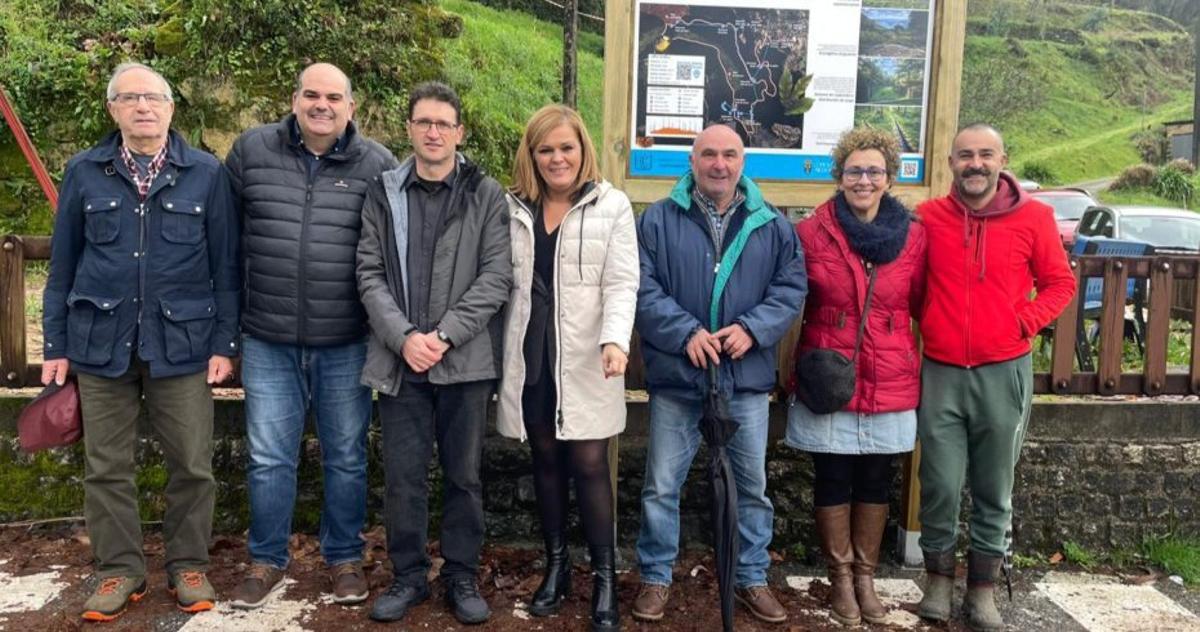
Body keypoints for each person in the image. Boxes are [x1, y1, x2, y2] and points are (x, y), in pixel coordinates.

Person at [42, 62, 239, 621]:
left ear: (171, 108)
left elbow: (226, 267)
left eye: (153, 98)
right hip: (100, 343)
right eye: (130, 98)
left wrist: (224, 343)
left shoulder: (205, 172)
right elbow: (62, 267)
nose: (143, 107)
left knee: (192, 464)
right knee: (106, 466)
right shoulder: (83, 172)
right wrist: (55, 345)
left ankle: (188, 565)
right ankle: (118, 570)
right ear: (114, 110)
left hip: (182, 343)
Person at [224, 62, 398, 609]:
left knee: (346, 454)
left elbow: (392, 256)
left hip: (345, 338)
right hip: (267, 336)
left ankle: (345, 557)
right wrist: (227, 335)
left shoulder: (378, 165)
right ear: (294, 99)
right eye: (312, 95)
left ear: (352, 106)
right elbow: (227, 247)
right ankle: (266, 559)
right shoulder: (251, 151)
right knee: (269, 456)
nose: (322, 105)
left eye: (334, 97)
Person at [633, 124, 807, 625]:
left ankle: (751, 577)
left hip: (744, 379)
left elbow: (790, 288)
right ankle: (656, 577)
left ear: (742, 162)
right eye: (708, 154)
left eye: (729, 154)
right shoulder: (659, 220)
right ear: (692, 161)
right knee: (661, 486)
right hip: (679, 378)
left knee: (751, 488)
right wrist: (685, 332)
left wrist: (753, 329)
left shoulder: (771, 223)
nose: (719, 164)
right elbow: (642, 288)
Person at [356, 81, 512, 625]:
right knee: (402, 476)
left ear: (459, 132)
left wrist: (443, 336)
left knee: (464, 474)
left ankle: (461, 575)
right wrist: (404, 338)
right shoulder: (384, 191)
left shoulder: (484, 193)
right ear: (410, 129)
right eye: (424, 122)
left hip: (463, 363)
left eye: (444, 123)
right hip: (400, 363)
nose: (434, 131)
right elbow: (369, 273)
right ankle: (408, 576)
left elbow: (497, 277)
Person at [914, 124, 1075, 631]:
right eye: (965, 155)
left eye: (985, 154)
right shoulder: (929, 218)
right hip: (941, 370)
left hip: (1003, 371)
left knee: (993, 484)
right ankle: (938, 580)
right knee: (938, 482)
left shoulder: (1036, 217)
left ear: (1002, 159)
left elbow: (1059, 282)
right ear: (951, 163)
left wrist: (1021, 322)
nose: (975, 164)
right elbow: (916, 287)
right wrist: (934, 324)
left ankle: (982, 590)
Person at [496, 104, 639, 631]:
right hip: (532, 356)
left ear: (583, 150)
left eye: (566, 147)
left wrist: (615, 340)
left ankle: (604, 578)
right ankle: (556, 568)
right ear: (532, 155)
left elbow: (622, 283)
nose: (557, 158)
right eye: (546, 149)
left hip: (587, 357)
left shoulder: (611, 205)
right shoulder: (514, 207)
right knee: (546, 462)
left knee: (590, 465)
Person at [785, 128, 926, 626]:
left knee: (875, 477)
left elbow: (924, 302)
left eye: (873, 171)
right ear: (838, 176)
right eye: (853, 171)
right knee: (833, 475)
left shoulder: (914, 235)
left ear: (889, 176)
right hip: (831, 374)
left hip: (890, 372)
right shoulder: (812, 231)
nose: (863, 180)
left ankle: (866, 576)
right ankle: (840, 578)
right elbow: (791, 300)